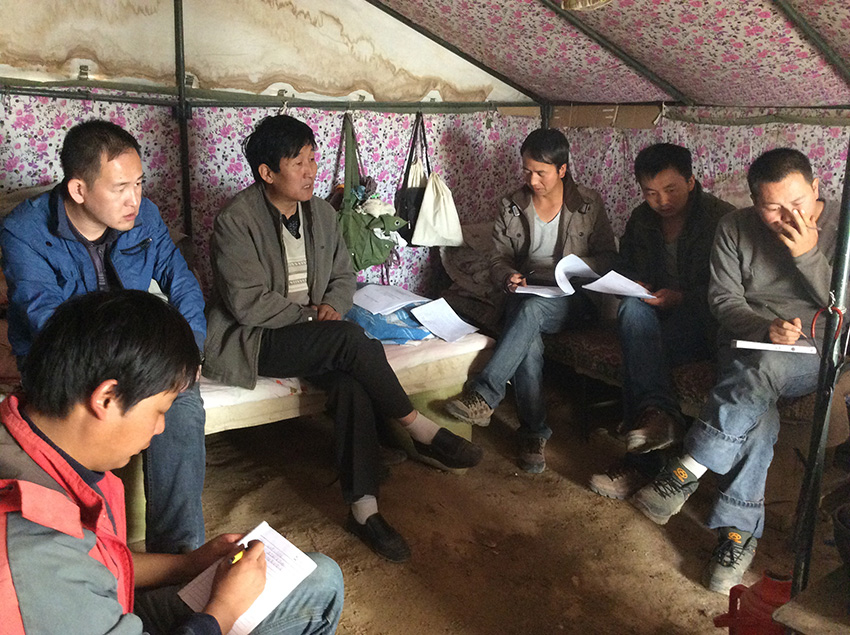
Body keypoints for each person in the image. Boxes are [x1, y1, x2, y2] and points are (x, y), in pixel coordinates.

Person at [203, 114, 483, 564]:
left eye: (313, 159)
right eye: (298, 163)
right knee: (351, 341)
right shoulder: (235, 220)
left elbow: (343, 274)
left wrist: (332, 304)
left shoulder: (320, 213)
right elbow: (246, 302)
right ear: (267, 173)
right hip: (261, 338)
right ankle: (418, 428)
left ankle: (364, 510)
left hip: (317, 331)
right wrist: (311, 316)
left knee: (351, 382)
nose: (311, 171)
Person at [0, 290, 343, 634]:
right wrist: (223, 609)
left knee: (319, 577)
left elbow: (95, 561)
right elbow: (63, 571)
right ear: (107, 398)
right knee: (314, 591)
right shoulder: (34, 553)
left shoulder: (41, 449)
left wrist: (188, 564)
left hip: (106, 605)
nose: (161, 427)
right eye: (160, 410)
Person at [631, 148, 839, 593]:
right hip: (745, 341)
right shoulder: (734, 227)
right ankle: (737, 536)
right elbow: (723, 301)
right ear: (753, 202)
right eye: (772, 208)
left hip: (815, 350)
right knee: (759, 411)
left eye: (798, 202)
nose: (788, 216)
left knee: (763, 368)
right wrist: (764, 327)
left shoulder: (843, 227)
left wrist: (808, 256)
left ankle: (687, 469)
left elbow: (845, 311)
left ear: (816, 187)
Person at [0, 120, 207, 554]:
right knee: (84, 420)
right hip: (63, 362)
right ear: (79, 190)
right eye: (120, 188)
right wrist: (124, 375)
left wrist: (186, 354)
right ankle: (94, 554)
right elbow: (45, 318)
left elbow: (182, 282)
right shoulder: (25, 230)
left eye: (139, 183)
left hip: (137, 356)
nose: (135, 199)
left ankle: (179, 553)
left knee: (181, 403)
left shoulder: (146, 217)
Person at [445, 128, 617, 473]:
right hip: (527, 292)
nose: (532, 180)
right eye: (527, 171)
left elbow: (609, 257)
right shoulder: (512, 205)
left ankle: (486, 394)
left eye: (541, 172)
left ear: (562, 170)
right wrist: (507, 275)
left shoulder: (588, 204)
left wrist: (575, 266)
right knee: (529, 335)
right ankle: (533, 434)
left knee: (530, 310)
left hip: (573, 299)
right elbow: (497, 258)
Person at [588, 143, 734, 499]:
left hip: (704, 322)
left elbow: (729, 291)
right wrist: (634, 283)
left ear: (691, 181)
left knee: (639, 352)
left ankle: (640, 465)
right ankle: (661, 420)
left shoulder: (721, 220)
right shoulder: (641, 219)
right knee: (631, 312)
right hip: (656, 314)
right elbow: (625, 265)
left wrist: (680, 297)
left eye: (671, 189)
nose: (662, 201)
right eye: (651, 193)